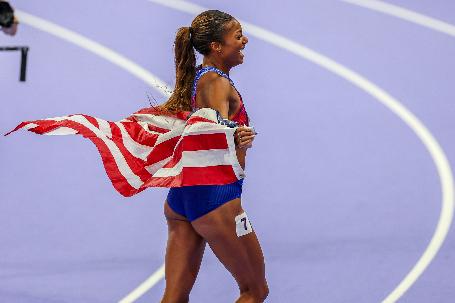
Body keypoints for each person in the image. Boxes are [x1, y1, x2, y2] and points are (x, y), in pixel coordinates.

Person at [158, 9, 269, 303]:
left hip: (182, 197)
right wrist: (237, 139)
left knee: (174, 297)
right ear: (217, 47)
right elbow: (213, 135)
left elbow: (201, 127)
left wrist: (232, 135)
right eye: (237, 36)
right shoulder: (216, 82)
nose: (244, 40)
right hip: (214, 198)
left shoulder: (200, 78)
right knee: (254, 291)